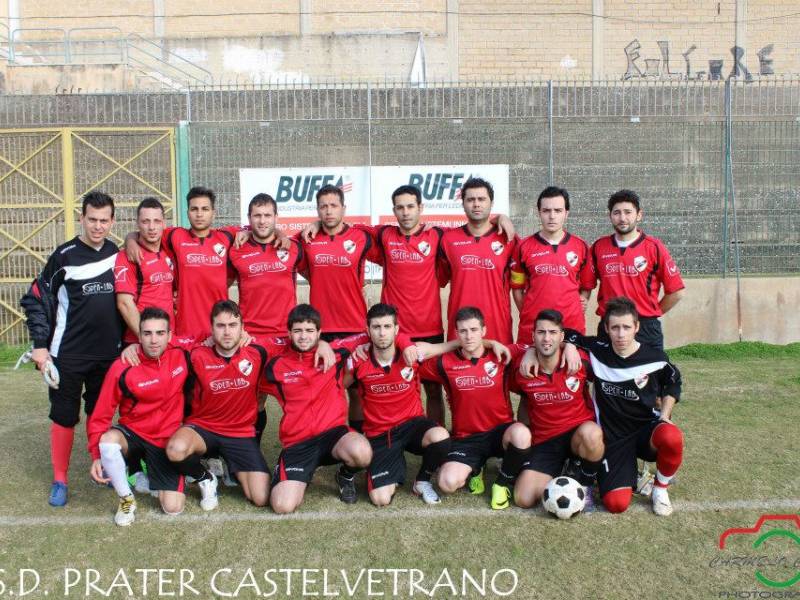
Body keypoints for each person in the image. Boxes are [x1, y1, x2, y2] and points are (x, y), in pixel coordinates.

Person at [20, 191, 123, 507]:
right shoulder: (63, 256)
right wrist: (40, 347)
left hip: (107, 355)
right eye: (92, 219)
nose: (97, 226)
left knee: (100, 414)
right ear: (82, 218)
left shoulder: (118, 254)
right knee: (64, 416)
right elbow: (35, 298)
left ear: (112, 221)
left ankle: (103, 467)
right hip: (68, 354)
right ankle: (60, 479)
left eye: (104, 220)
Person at [562, 296, 684, 516]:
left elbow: (673, 382)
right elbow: (567, 333)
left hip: (645, 431)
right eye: (615, 327)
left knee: (672, 436)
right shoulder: (599, 350)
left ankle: (660, 489)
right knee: (616, 504)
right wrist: (570, 346)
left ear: (636, 327)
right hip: (614, 439)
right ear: (606, 329)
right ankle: (630, 476)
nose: (621, 334)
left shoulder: (655, 357)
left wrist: (665, 414)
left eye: (626, 327)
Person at [165, 300, 289, 510]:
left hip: (240, 433)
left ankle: (233, 465)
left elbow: (296, 340)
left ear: (243, 328)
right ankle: (206, 478)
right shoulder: (196, 354)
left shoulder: (258, 351)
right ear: (211, 329)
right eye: (220, 326)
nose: (227, 332)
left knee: (260, 498)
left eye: (233, 325)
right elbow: (165, 341)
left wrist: (322, 344)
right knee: (175, 450)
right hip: (203, 428)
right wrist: (133, 347)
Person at [262, 304, 376, 513]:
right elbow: (251, 348)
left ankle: (345, 475)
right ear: (289, 333)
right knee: (282, 506)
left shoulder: (336, 354)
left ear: (319, 332)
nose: (303, 336)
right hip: (298, 443)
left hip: (333, 435)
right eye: (297, 331)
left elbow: (369, 333)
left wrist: (324, 344)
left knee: (362, 452)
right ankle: (291, 469)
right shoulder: (275, 367)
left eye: (309, 331)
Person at [418, 306, 531, 510]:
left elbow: (534, 345)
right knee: (447, 483)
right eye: (463, 331)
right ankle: (476, 468)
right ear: (456, 333)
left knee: (522, 435)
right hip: (466, 439)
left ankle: (501, 483)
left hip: (500, 432)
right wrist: (454, 344)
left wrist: (501, 346)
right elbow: (416, 351)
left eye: (474, 330)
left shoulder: (501, 356)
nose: (469, 336)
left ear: (484, 330)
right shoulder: (444, 363)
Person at [87, 307, 189, 525]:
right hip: (133, 433)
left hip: (165, 440)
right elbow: (101, 415)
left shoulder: (181, 354)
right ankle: (126, 498)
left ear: (170, 336)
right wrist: (96, 454)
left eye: (160, 333)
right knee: (107, 443)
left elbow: (213, 342)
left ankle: (142, 470)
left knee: (173, 508)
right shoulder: (123, 366)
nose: (153, 340)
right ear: (139, 335)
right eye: (147, 333)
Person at [344, 303, 451, 506]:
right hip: (380, 434)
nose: (382, 333)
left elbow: (447, 346)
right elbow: (334, 387)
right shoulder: (358, 361)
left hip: (411, 425)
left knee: (441, 437)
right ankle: (394, 462)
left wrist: (489, 343)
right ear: (368, 331)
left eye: (387, 326)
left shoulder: (411, 354)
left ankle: (422, 481)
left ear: (396, 329)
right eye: (376, 327)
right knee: (380, 499)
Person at [297, 184, 381, 432]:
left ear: (344, 208)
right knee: (322, 388)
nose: (328, 211)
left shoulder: (361, 238)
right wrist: (312, 225)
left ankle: (358, 439)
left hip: (354, 326)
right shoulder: (307, 240)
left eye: (334, 205)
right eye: (323, 206)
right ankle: (323, 439)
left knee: (356, 391)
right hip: (320, 331)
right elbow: (280, 242)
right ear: (317, 210)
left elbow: (390, 234)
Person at [512, 309, 604, 511]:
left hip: (577, 434)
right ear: (533, 336)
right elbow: (491, 349)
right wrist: (528, 351)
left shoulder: (580, 361)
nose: (547, 338)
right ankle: (564, 468)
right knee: (523, 498)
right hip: (545, 441)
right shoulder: (522, 367)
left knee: (592, 434)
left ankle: (586, 483)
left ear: (562, 336)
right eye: (541, 332)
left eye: (553, 333)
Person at [125, 187, 237, 339]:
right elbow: (148, 231)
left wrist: (278, 233)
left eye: (205, 209)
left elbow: (259, 229)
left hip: (220, 328)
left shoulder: (227, 236)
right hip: (186, 329)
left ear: (213, 213)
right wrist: (130, 240)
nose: (199, 214)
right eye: (194, 209)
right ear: (187, 212)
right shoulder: (175, 236)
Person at [590, 189, 685, 351]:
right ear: (610, 216)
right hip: (610, 326)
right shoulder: (598, 247)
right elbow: (586, 284)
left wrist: (651, 313)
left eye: (628, 212)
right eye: (617, 213)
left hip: (645, 327)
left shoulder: (654, 247)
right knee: (609, 375)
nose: (622, 218)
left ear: (639, 215)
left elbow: (676, 292)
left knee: (649, 376)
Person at [438, 178, 518, 345]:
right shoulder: (448, 239)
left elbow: (522, 284)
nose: (476, 204)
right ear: (463, 203)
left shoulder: (509, 239)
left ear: (491, 202)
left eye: (481, 199)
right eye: (470, 199)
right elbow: (437, 280)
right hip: (461, 332)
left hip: (498, 330)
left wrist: (501, 218)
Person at [511, 186, 594, 345]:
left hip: (571, 325)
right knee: (529, 369)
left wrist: (582, 300)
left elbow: (587, 285)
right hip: (533, 326)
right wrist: (529, 311)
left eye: (557, 210)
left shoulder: (581, 246)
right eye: (546, 210)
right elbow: (517, 288)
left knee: (571, 368)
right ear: (539, 212)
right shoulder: (523, 247)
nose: (552, 216)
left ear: (566, 213)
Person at [115, 197, 175, 347]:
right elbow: (124, 303)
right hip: (140, 342)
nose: (151, 227)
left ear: (164, 224)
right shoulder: (128, 256)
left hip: (168, 338)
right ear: (137, 224)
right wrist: (146, 340)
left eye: (156, 221)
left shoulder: (170, 250)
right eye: (145, 221)